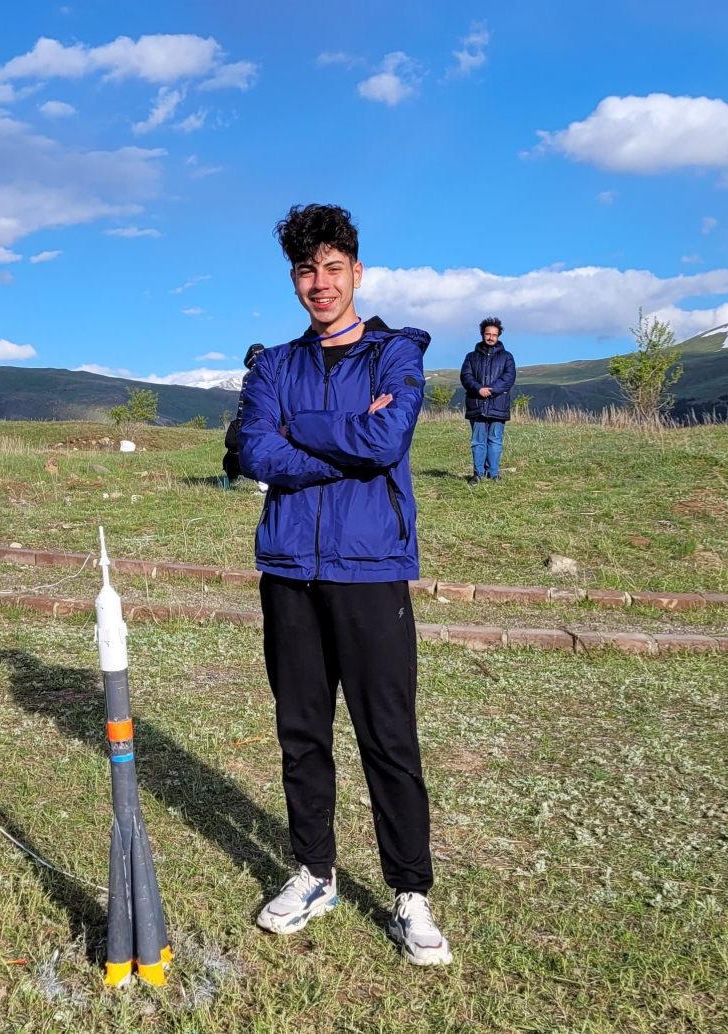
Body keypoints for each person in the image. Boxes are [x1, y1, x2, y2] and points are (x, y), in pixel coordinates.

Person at [237, 203, 452, 966]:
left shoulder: (397, 354)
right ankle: (313, 873)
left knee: (388, 736)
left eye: (333, 268)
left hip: (372, 570)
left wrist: (306, 431)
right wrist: (345, 439)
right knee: (302, 733)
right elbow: (255, 449)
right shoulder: (273, 366)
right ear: (294, 278)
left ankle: (410, 893)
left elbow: (388, 436)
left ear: (357, 272)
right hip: (290, 571)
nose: (319, 283)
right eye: (306, 270)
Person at [459, 317, 516, 483]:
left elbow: (509, 378)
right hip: (476, 404)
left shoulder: (507, 357)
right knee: (478, 441)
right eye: (488, 334)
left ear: (499, 336)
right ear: (482, 334)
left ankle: (494, 474)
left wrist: (491, 390)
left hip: (498, 404)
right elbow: (465, 376)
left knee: (495, 440)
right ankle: (478, 475)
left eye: (494, 335)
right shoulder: (471, 357)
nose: (491, 337)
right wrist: (478, 389)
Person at [221, 343, 265, 487]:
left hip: (248, 420)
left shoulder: (250, 375)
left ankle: (237, 479)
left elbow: (244, 403)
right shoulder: (273, 372)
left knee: (237, 449)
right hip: (264, 420)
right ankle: (263, 482)